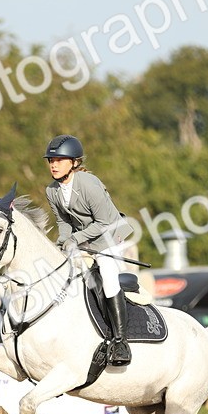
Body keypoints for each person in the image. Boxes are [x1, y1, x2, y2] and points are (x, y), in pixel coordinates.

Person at [43, 134, 134, 366]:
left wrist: (75, 239)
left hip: (110, 236)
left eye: (59, 160)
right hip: (84, 239)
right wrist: (62, 241)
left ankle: (121, 341)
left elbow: (103, 223)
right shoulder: (52, 191)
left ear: (74, 163)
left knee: (108, 278)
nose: (53, 165)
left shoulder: (89, 184)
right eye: (51, 160)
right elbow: (63, 222)